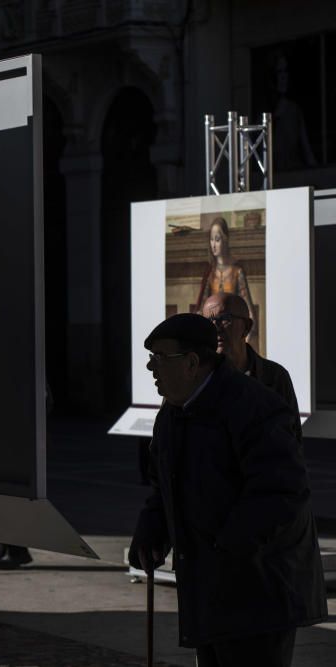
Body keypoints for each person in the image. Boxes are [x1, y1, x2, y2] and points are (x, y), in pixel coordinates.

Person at [128, 313, 326, 666]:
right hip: (210, 588)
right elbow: (165, 482)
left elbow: (281, 492)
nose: (150, 367)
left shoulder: (254, 407)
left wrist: (226, 548)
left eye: (159, 358)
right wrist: (154, 527)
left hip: (259, 590)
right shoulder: (174, 412)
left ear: (191, 363)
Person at [201, 292, 301, 440]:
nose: (215, 328)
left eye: (224, 319)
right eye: (209, 321)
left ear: (247, 327)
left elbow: (293, 441)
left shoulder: (274, 377)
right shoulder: (194, 378)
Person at [197, 218, 256, 345]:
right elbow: (202, 309)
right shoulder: (210, 273)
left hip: (233, 332)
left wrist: (245, 338)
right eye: (211, 239)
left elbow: (249, 311)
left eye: (217, 239)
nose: (213, 244)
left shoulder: (237, 271)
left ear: (226, 240)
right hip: (213, 334)